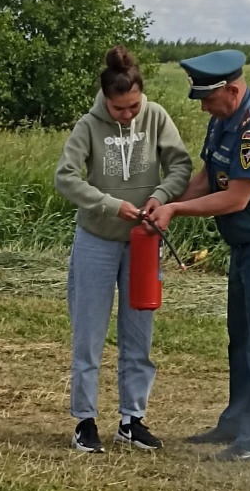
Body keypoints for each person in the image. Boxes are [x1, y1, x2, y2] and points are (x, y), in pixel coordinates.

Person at [150, 49, 250, 462]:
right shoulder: (224, 121)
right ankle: (235, 423)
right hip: (245, 243)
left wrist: (175, 210)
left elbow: (236, 197)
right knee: (240, 337)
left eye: (208, 99)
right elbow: (207, 177)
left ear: (233, 91)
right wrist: (162, 200)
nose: (202, 107)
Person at [54, 45, 192, 454]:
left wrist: (162, 196)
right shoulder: (88, 125)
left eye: (133, 106)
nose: (127, 115)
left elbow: (181, 166)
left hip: (143, 243)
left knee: (139, 332)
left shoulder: (156, 117)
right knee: (89, 332)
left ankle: (132, 420)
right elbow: (65, 178)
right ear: (105, 101)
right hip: (97, 240)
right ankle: (85, 421)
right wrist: (111, 205)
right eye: (119, 109)